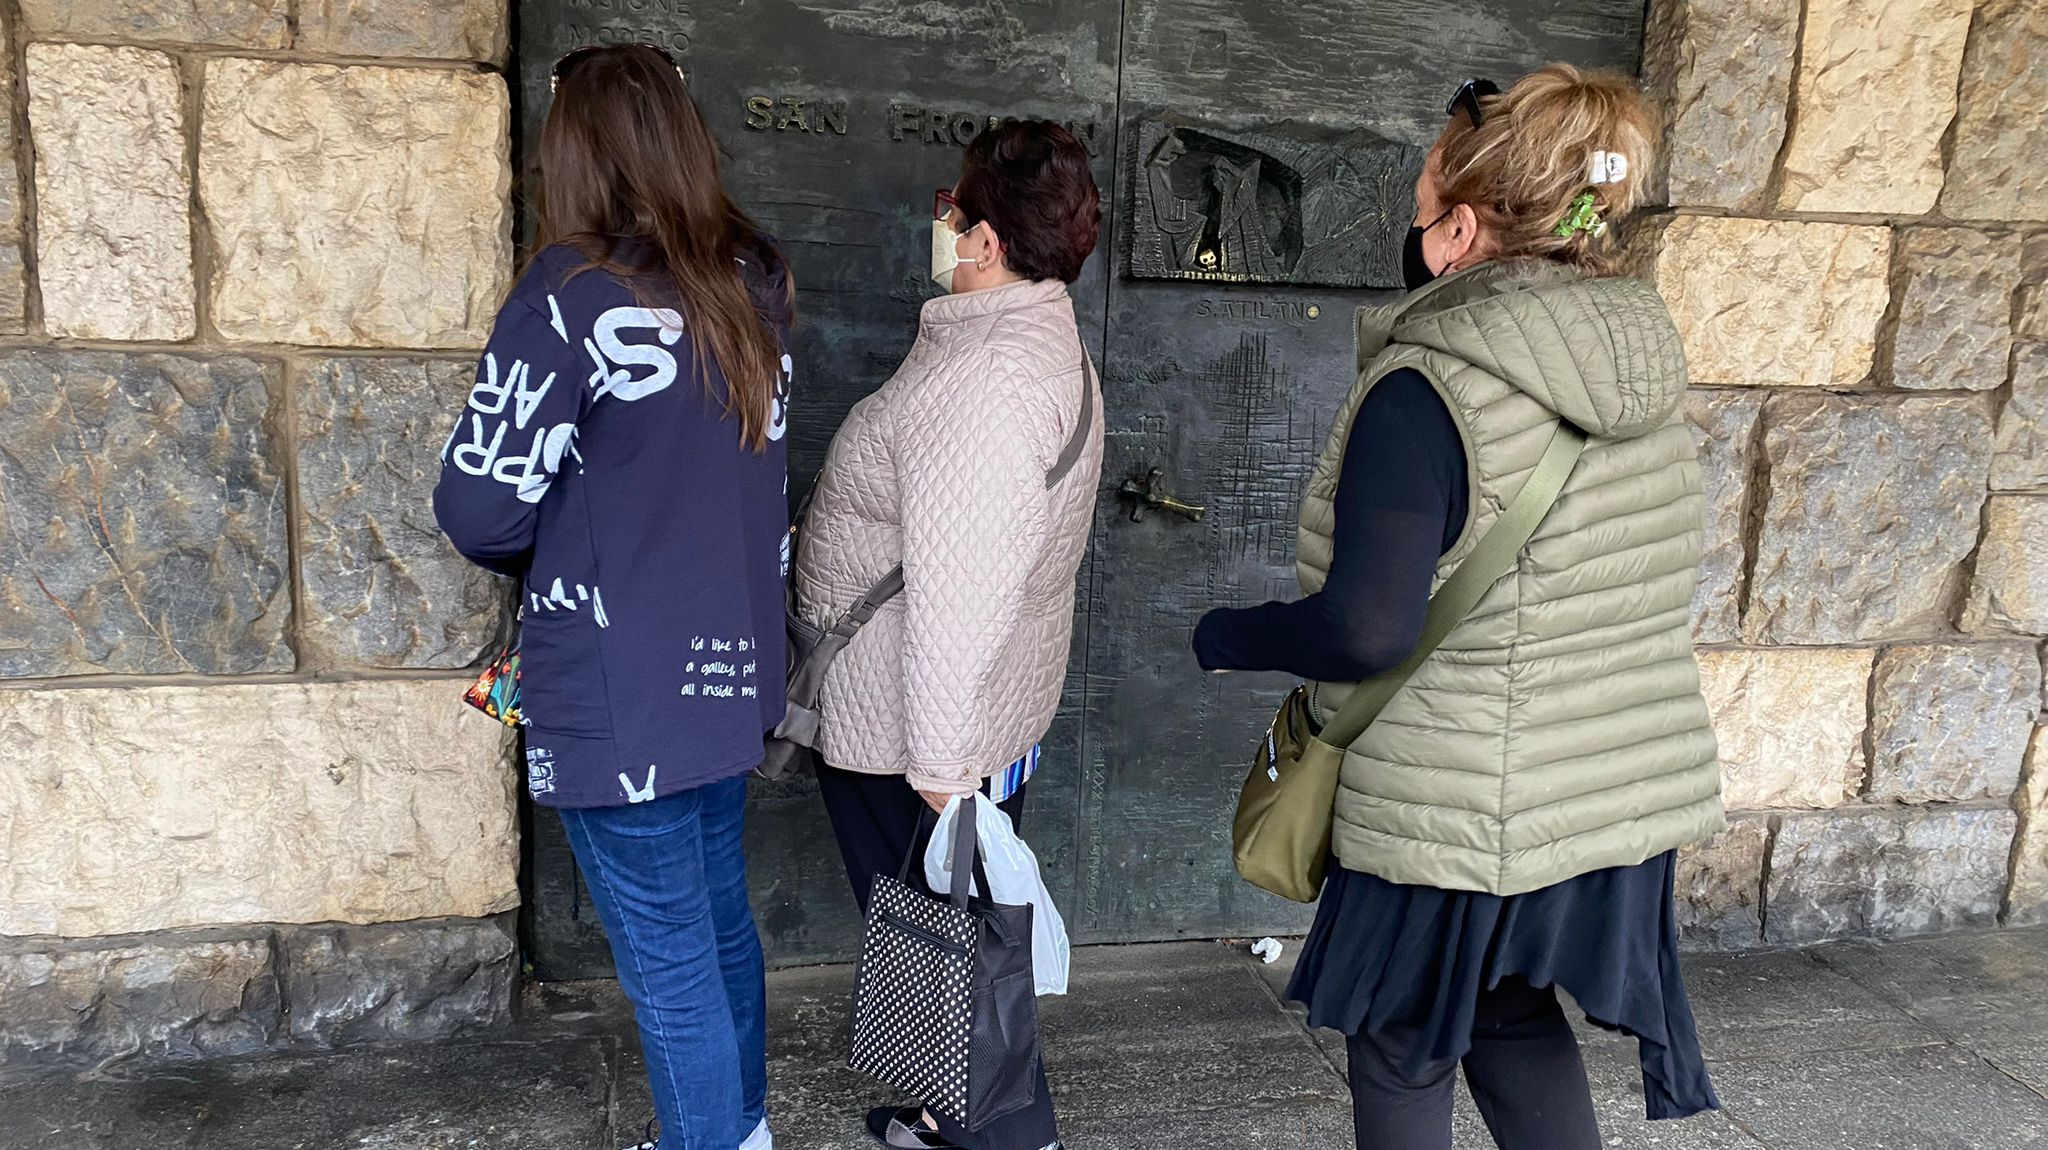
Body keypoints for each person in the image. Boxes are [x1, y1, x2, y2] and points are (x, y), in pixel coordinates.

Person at [1193, 66, 1724, 1150]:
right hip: (1602, 792)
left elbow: (1365, 629)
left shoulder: (1427, 385)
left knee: (1398, 1041)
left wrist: (1227, 635)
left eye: (1420, 195)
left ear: (1459, 230)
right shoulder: (1641, 372)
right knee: (1505, 1009)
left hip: (1457, 802)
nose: (1409, 214)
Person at [432, 44, 793, 1150]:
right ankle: (741, 1129)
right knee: (718, 925)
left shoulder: (568, 294)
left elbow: (480, 507)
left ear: (574, 153)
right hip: (727, 670)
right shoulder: (753, 283)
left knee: (668, 961)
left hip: (619, 678)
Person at [794, 119, 1105, 1150]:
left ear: (983, 240)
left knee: (956, 970)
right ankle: (945, 1115)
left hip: (918, 735)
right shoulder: (1033, 338)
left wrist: (939, 772)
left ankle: (1006, 1136)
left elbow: (963, 584)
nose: (942, 223)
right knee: (955, 957)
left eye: (953, 210)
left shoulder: (985, 381)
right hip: (971, 714)